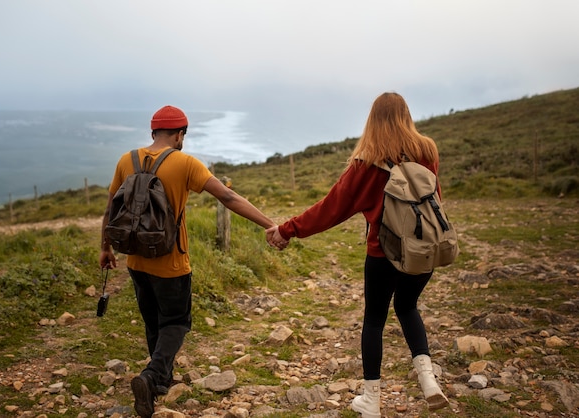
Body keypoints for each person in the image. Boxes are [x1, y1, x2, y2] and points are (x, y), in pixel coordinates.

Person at [266, 92, 450, 417]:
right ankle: (428, 379)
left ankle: (372, 401)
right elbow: (433, 198)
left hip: (384, 254)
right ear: (406, 116)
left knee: (375, 321)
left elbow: (330, 210)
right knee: (408, 307)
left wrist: (287, 230)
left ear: (373, 120)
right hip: (424, 250)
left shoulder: (366, 163)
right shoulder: (428, 151)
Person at [99, 105, 277, 418]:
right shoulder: (185, 163)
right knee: (177, 322)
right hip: (171, 261)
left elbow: (110, 208)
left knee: (154, 321)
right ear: (180, 134)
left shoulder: (126, 160)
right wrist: (270, 224)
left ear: (153, 132)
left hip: (136, 260)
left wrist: (106, 249)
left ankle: (160, 380)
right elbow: (228, 198)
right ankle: (152, 376)